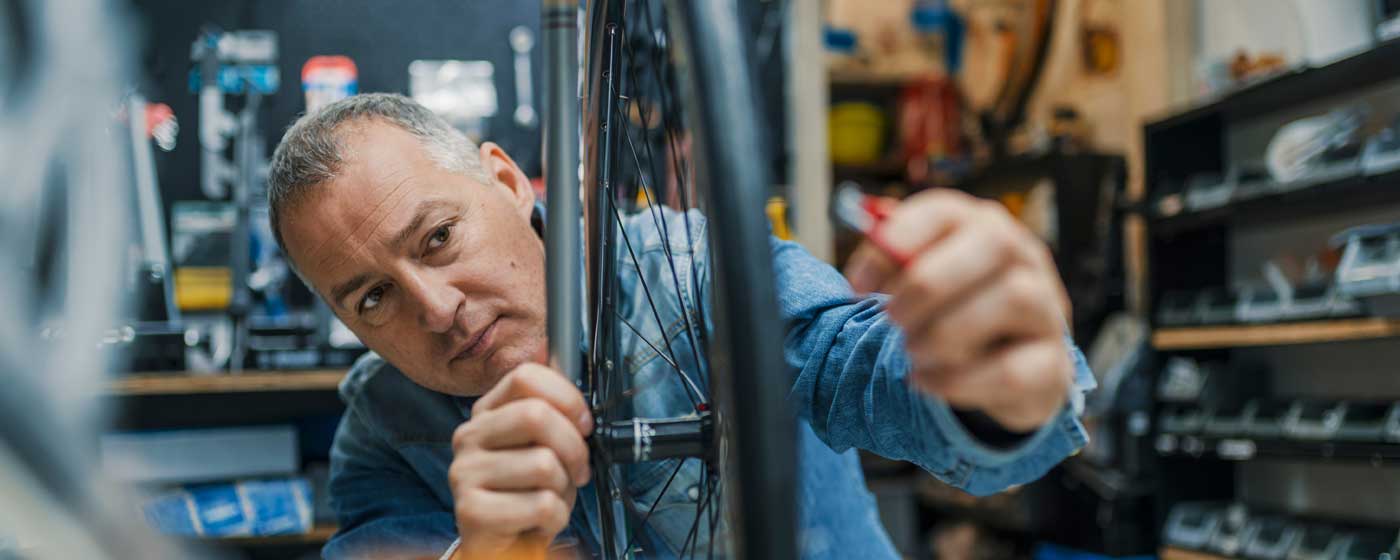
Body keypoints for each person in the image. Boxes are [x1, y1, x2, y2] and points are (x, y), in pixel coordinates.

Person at [267, 93, 1093, 559]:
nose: (437, 310)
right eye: (371, 299)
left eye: (439, 238)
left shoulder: (700, 275)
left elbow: (863, 362)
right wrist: (478, 554)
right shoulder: (383, 430)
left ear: (508, 181)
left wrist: (990, 374)